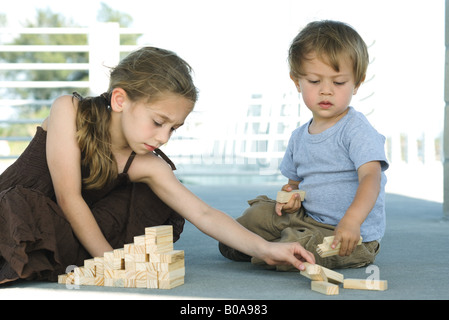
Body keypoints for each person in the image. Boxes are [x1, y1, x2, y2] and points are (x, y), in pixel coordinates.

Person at [0, 47, 315, 285]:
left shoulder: (147, 164)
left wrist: (266, 249)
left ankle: (76, 254)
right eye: (158, 122)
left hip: (72, 225)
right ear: (121, 101)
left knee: (153, 194)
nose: (164, 137)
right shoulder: (68, 110)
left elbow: (203, 213)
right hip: (25, 208)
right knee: (23, 212)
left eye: (173, 128)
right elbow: (68, 198)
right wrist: (112, 264)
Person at [219, 20, 389, 270]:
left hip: (348, 236)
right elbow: (294, 185)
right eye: (314, 81)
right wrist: (290, 197)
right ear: (296, 81)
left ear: (358, 82)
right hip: (307, 219)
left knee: (302, 245)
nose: (326, 91)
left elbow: (371, 179)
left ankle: (269, 248)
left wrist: (352, 221)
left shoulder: (356, 129)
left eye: (338, 82)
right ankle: (255, 242)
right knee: (256, 215)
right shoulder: (299, 136)